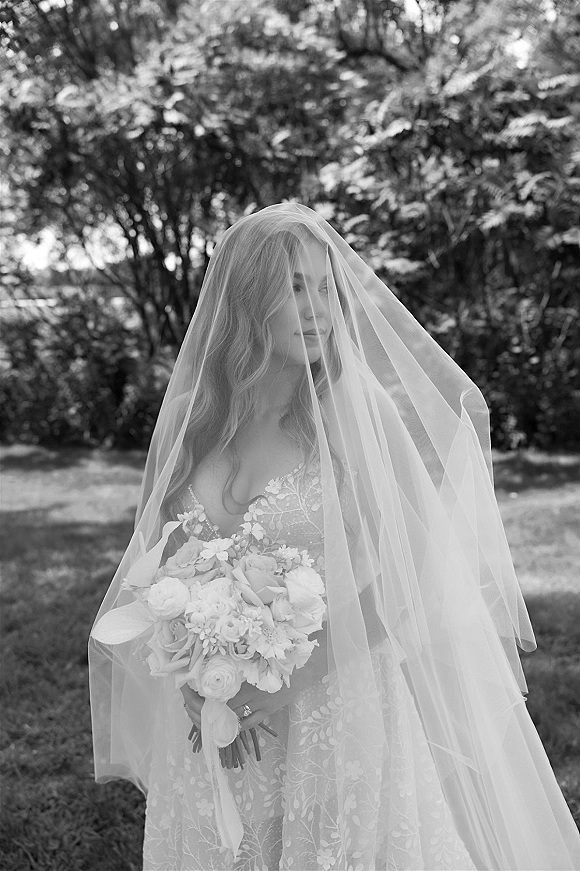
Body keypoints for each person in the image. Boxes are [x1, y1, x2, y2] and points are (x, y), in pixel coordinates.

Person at [89, 203, 580, 871]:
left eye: (325, 287)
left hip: (335, 697)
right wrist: (192, 661)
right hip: (213, 701)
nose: (319, 306)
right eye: (295, 287)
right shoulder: (191, 416)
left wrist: (289, 679)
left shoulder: (350, 410)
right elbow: (157, 565)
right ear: (247, 297)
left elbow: (414, 574)